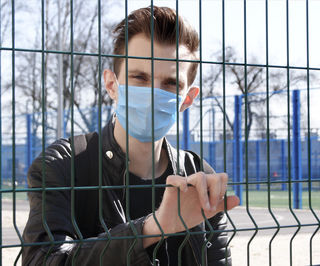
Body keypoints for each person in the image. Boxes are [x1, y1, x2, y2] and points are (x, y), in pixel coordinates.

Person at [22, 6, 239, 266]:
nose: (152, 94)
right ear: (112, 85)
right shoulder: (63, 166)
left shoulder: (197, 174)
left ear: (188, 98)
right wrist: (151, 229)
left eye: (171, 84)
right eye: (139, 78)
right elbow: (43, 260)